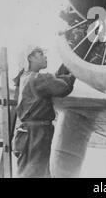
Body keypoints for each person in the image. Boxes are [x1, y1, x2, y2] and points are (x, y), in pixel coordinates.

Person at [12, 45, 75, 178]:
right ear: (30, 58)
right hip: (37, 133)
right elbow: (63, 88)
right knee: (34, 174)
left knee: (34, 172)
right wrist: (75, 68)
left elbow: (52, 80)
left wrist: (67, 64)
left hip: (29, 132)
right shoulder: (38, 79)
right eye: (40, 54)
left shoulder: (26, 77)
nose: (45, 56)